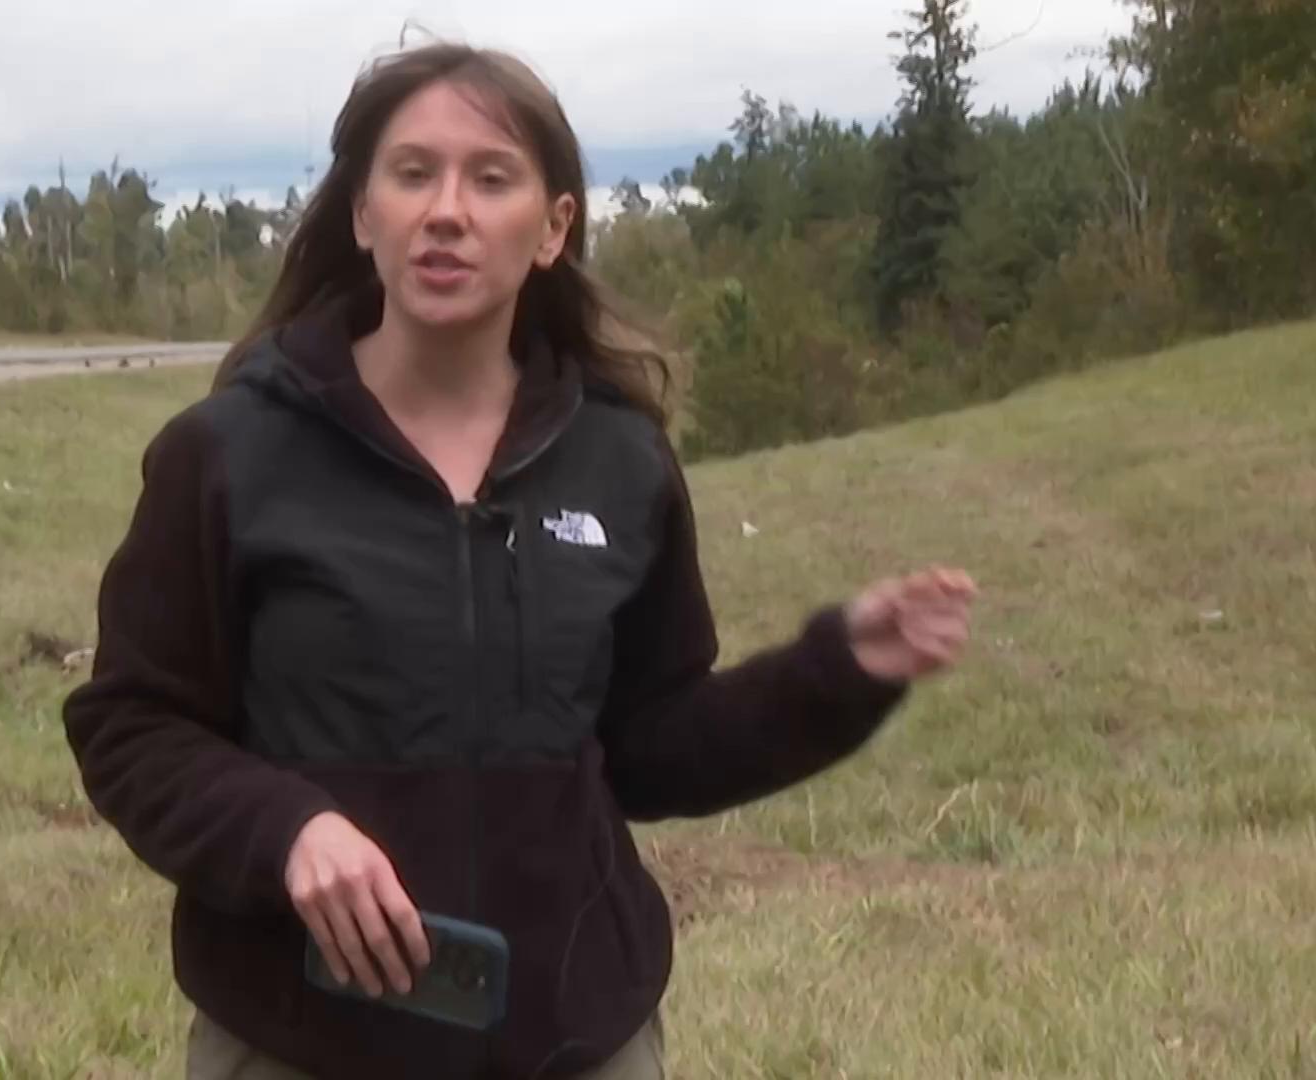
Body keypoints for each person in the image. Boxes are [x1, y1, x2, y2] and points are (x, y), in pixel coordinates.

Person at [62, 40, 977, 1080]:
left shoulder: (619, 463)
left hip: (576, 1036)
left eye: (490, 178)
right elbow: (129, 726)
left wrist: (837, 675)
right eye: (412, 174)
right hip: (298, 1038)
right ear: (364, 215)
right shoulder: (228, 456)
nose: (446, 210)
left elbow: (652, 744)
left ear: (552, 229)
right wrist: (288, 833)